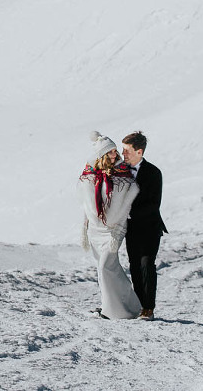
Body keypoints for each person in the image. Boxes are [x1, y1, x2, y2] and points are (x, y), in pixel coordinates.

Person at [78, 131, 141, 319]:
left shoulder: (123, 176)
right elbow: (86, 206)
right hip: (95, 230)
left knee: (105, 267)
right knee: (106, 269)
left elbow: (125, 206)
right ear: (102, 155)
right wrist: (84, 229)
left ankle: (113, 311)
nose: (116, 154)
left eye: (115, 151)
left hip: (113, 229)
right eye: (111, 151)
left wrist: (117, 232)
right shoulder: (89, 176)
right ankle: (129, 305)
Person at [122, 131, 167, 320]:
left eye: (127, 150)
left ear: (139, 152)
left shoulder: (154, 172)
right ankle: (139, 305)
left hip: (150, 227)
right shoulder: (120, 171)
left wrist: (128, 212)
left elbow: (153, 204)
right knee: (134, 265)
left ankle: (148, 308)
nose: (123, 154)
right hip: (131, 229)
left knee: (146, 264)